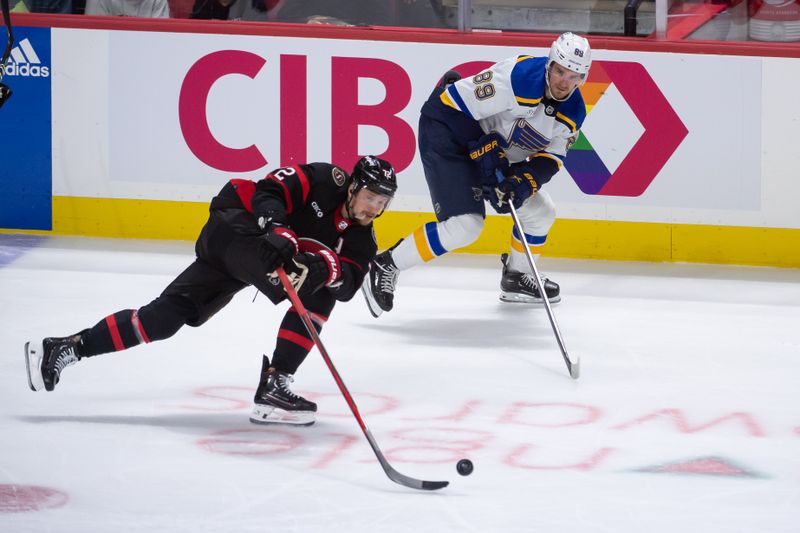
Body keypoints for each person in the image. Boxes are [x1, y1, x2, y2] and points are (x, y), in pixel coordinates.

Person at [24, 156, 398, 427]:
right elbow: (268, 190)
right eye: (370, 197)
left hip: (242, 260)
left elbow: (348, 284)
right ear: (352, 185)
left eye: (382, 203)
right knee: (308, 279)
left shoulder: (363, 238)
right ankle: (275, 381)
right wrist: (278, 227)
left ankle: (69, 347)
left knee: (162, 319)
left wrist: (329, 266)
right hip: (236, 225)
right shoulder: (323, 178)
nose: (374, 208)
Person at [362, 32, 591, 317]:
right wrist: (481, 153)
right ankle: (387, 263)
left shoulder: (574, 111)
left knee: (542, 212)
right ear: (550, 64)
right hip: (448, 135)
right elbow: (447, 103)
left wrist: (523, 182)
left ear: (583, 78)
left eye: (574, 76)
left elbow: (552, 157)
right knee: (465, 225)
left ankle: (517, 278)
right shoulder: (516, 78)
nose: (563, 82)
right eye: (560, 71)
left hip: (495, 154)